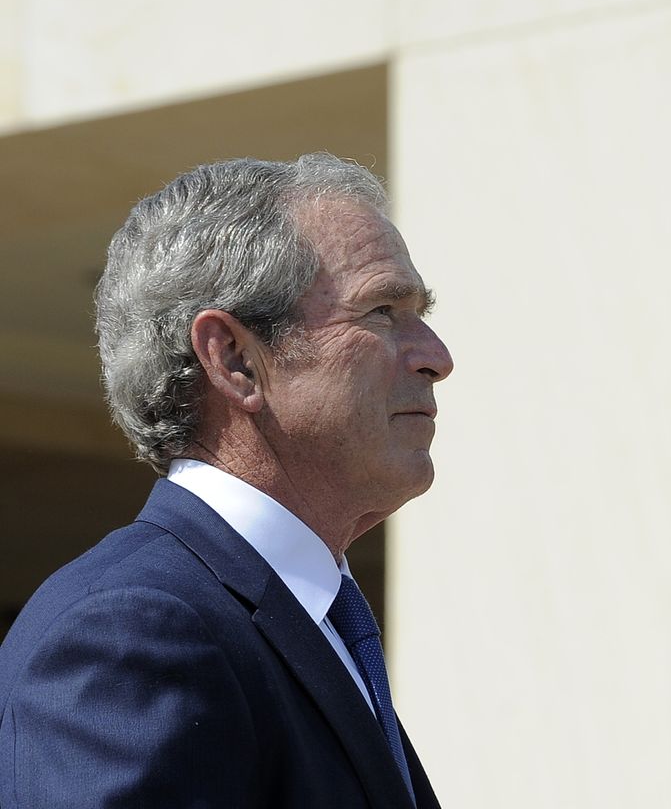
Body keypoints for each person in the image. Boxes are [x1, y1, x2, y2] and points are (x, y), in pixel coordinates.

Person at [0, 153, 452, 807]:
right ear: (236, 359)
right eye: (382, 311)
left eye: (422, 315)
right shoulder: (133, 631)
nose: (437, 358)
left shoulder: (307, 619)